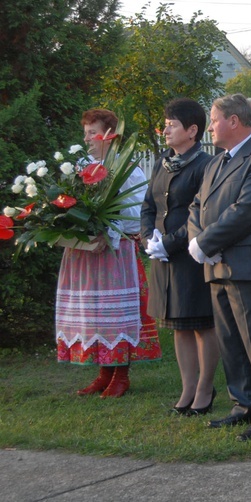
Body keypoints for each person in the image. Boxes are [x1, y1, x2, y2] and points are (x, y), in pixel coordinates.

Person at [187, 93, 251, 441]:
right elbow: (196, 207)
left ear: (233, 121)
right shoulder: (215, 163)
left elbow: (246, 211)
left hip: (248, 264)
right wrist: (199, 242)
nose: (210, 127)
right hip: (216, 264)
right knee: (230, 340)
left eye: (214, 119)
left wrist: (205, 243)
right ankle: (242, 405)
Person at [57, 108, 161, 398]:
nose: (88, 139)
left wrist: (108, 228)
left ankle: (121, 375)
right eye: (86, 133)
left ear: (110, 135)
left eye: (93, 133)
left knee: (117, 314)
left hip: (115, 251)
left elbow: (136, 211)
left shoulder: (126, 168)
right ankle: (103, 372)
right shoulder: (81, 165)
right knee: (95, 314)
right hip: (87, 252)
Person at [141, 98, 219, 416]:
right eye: (165, 124)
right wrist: (149, 236)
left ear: (192, 130)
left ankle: (205, 388)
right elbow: (149, 204)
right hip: (162, 255)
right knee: (178, 325)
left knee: (201, 323)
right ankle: (187, 387)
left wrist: (169, 243)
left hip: (190, 255)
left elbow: (201, 215)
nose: (165, 130)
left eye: (171, 125)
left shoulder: (205, 165)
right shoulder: (164, 161)